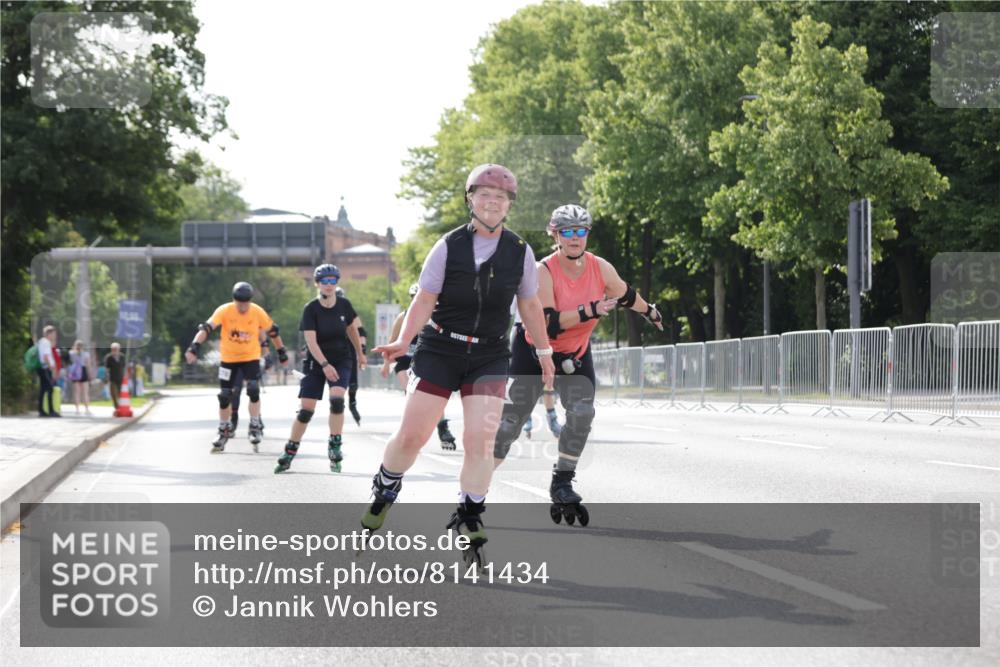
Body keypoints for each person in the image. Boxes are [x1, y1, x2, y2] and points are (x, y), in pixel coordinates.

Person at [364, 163, 555, 567]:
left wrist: (543, 351)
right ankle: (385, 488)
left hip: (488, 354)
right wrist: (402, 341)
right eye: (484, 195)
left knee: (480, 442)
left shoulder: (520, 252)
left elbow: (530, 304)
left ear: (509, 205)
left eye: (500, 198)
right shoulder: (447, 246)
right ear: (470, 199)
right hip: (440, 349)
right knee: (413, 436)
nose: (492, 203)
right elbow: (424, 299)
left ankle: (469, 514)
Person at [492, 204, 663, 526]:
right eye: (567, 232)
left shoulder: (600, 268)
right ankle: (474, 493)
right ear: (554, 234)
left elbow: (626, 295)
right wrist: (591, 310)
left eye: (580, 231)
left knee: (583, 414)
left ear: (587, 234)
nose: (574, 238)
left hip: (575, 353)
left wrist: (649, 311)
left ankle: (562, 481)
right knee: (510, 426)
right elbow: (548, 322)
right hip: (534, 350)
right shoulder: (543, 270)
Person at [275, 264, 365, 474]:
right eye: (324, 281)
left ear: (337, 283)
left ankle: (334, 446)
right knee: (306, 410)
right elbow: (311, 341)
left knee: (336, 399)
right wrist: (324, 365)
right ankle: (290, 450)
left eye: (332, 281)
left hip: (342, 359)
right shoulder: (311, 309)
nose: (328, 285)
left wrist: (360, 353)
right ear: (317, 284)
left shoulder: (344, 305)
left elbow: (352, 329)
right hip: (316, 363)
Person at [184, 281, 289, 453]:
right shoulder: (225, 310)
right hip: (228, 359)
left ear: (250, 300)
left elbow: (273, 332)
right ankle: (223, 429)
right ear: (234, 300)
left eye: (246, 302)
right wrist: (193, 347)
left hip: (250, 358)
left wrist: (282, 353)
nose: (242, 306)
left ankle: (255, 425)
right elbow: (206, 327)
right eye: (239, 302)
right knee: (225, 396)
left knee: (253, 390)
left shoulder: (257, 311)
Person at [379, 282, 458, 449]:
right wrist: (386, 364)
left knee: (434, 396)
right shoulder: (404, 317)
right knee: (412, 391)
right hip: (404, 360)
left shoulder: (437, 318)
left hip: (426, 360)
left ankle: (442, 428)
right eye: (414, 298)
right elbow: (392, 341)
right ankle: (408, 432)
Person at [510, 299, 562, 439]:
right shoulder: (521, 278)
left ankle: (552, 418)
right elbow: (511, 308)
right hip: (522, 330)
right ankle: (525, 416)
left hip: (545, 331)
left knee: (548, 379)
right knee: (523, 381)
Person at [335, 286, 366, 427]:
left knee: (352, 383)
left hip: (348, 348)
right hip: (327, 348)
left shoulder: (347, 309)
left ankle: (352, 402)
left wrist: (362, 351)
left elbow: (360, 331)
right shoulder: (318, 307)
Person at [35, 325, 60, 417]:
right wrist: (51, 368)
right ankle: (51, 411)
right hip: (45, 368)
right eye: (53, 334)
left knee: (43, 389)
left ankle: (41, 411)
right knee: (50, 389)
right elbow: (46, 357)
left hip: (42, 368)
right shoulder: (45, 342)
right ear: (49, 334)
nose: (55, 336)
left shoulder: (43, 342)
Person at [69, 340, 92, 415]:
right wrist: (90, 374)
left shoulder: (72, 353)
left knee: (76, 392)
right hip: (83, 371)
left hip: (75, 372)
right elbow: (88, 365)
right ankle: (87, 409)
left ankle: (77, 409)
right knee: (85, 392)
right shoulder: (86, 354)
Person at [103, 342, 126, 411]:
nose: (115, 350)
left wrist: (126, 375)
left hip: (120, 377)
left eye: (116, 349)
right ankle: (116, 407)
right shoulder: (109, 357)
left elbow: (124, 366)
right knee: (113, 393)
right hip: (112, 377)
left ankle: (121, 406)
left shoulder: (122, 356)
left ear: (119, 349)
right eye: (113, 349)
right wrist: (106, 377)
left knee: (120, 393)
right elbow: (107, 368)